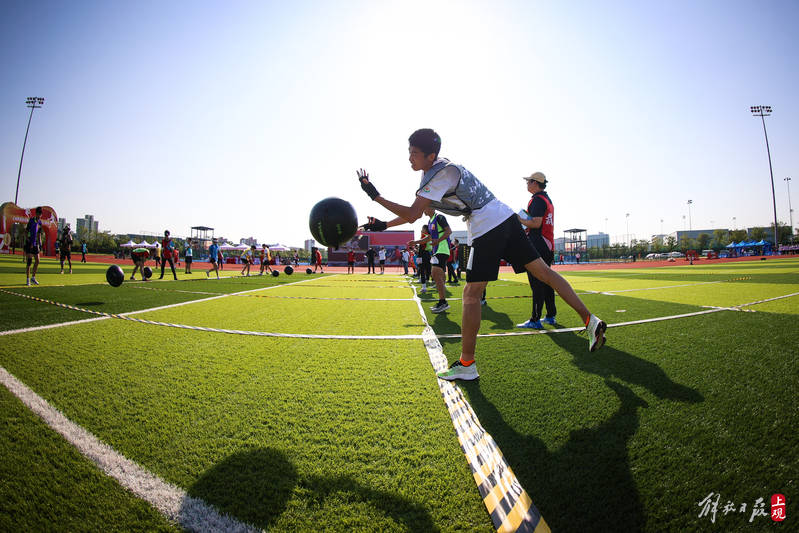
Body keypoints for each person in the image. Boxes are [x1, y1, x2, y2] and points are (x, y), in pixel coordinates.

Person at [358, 128, 606, 381]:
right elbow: (418, 210)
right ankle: (590, 320)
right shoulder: (439, 171)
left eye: (415, 154)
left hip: (486, 225)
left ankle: (467, 364)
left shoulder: (439, 174)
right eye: (408, 152)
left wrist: (375, 196)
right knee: (543, 272)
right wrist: (384, 225)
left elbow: (412, 214)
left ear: (431, 155)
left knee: (470, 294)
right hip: (504, 216)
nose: (410, 158)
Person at [517, 172, 557, 329]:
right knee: (547, 281)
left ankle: (535, 319)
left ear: (535, 183)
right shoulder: (546, 199)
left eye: (528, 181)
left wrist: (518, 219)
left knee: (537, 282)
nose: (526, 184)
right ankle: (550, 315)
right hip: (547, 244)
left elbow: (535, 223)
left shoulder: (538, 200)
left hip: (538, 244)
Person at [410, 207, 451, 312]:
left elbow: (448, 231)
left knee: (435, 273)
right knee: (437, 275)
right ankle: (442, 301)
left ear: (431, 208)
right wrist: (415, 242)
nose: (423, 210)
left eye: (425, 208)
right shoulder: (430, 221)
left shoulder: (439, 217)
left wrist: (438, 241)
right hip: (436, 251)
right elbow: (428, 238)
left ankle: (443, 302)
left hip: (442, 249)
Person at [24, 207, 43, 285]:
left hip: (35, 244)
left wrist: (40, 243)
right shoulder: (31, 220)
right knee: (29, 261)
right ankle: (28, 279)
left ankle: (33, 277)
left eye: (40, 214)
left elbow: (39, 234)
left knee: (37, 260)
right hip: (29, 243)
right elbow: (26, 231)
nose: (39, 215)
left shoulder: (40, 222)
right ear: (36, 213)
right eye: (38, 213)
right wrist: (28, 240)